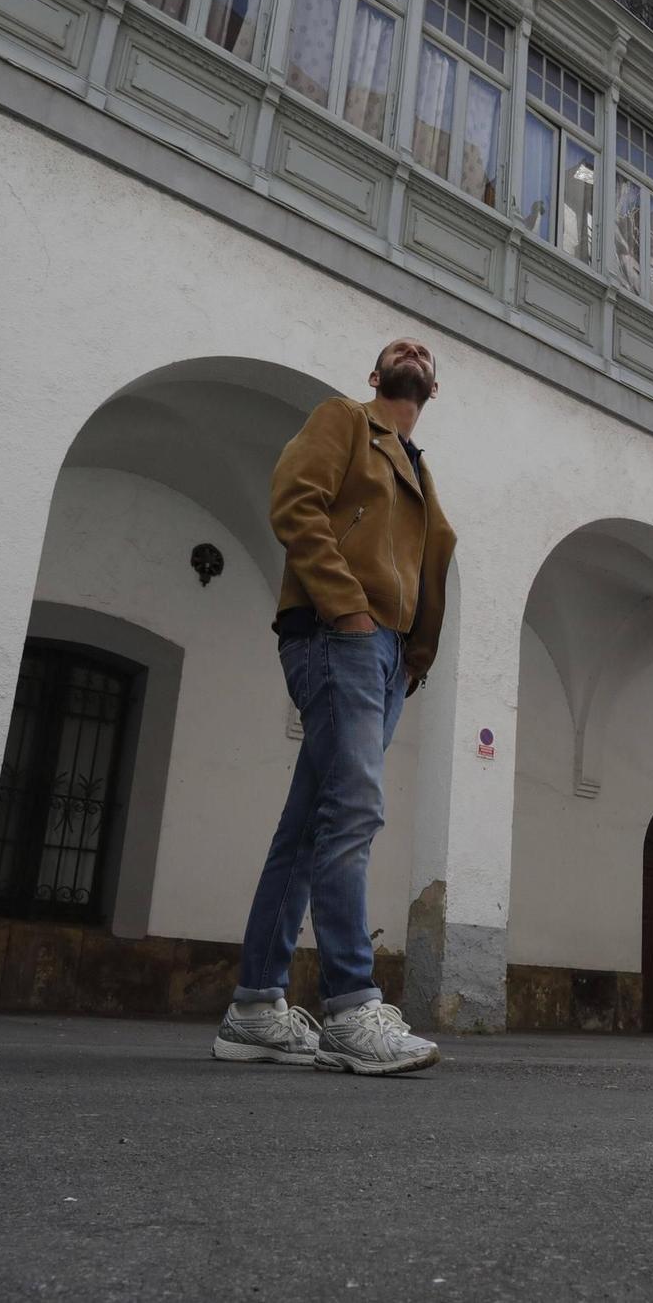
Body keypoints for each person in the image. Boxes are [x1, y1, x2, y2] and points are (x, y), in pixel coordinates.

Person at [212, 338, 457, 1076]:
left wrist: (413, 656)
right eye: (396, 348)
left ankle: (256, 1007)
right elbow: (295, 502)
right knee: (354, 810)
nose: (412, 350)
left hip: (387, 659)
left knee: (307, 825)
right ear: (378, 376)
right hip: (341, 634)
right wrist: (349, 610)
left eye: (423, 351)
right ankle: (352, 1005)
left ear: (432, 389)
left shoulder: (420, 470)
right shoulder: (345, 420)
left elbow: (427, 569)